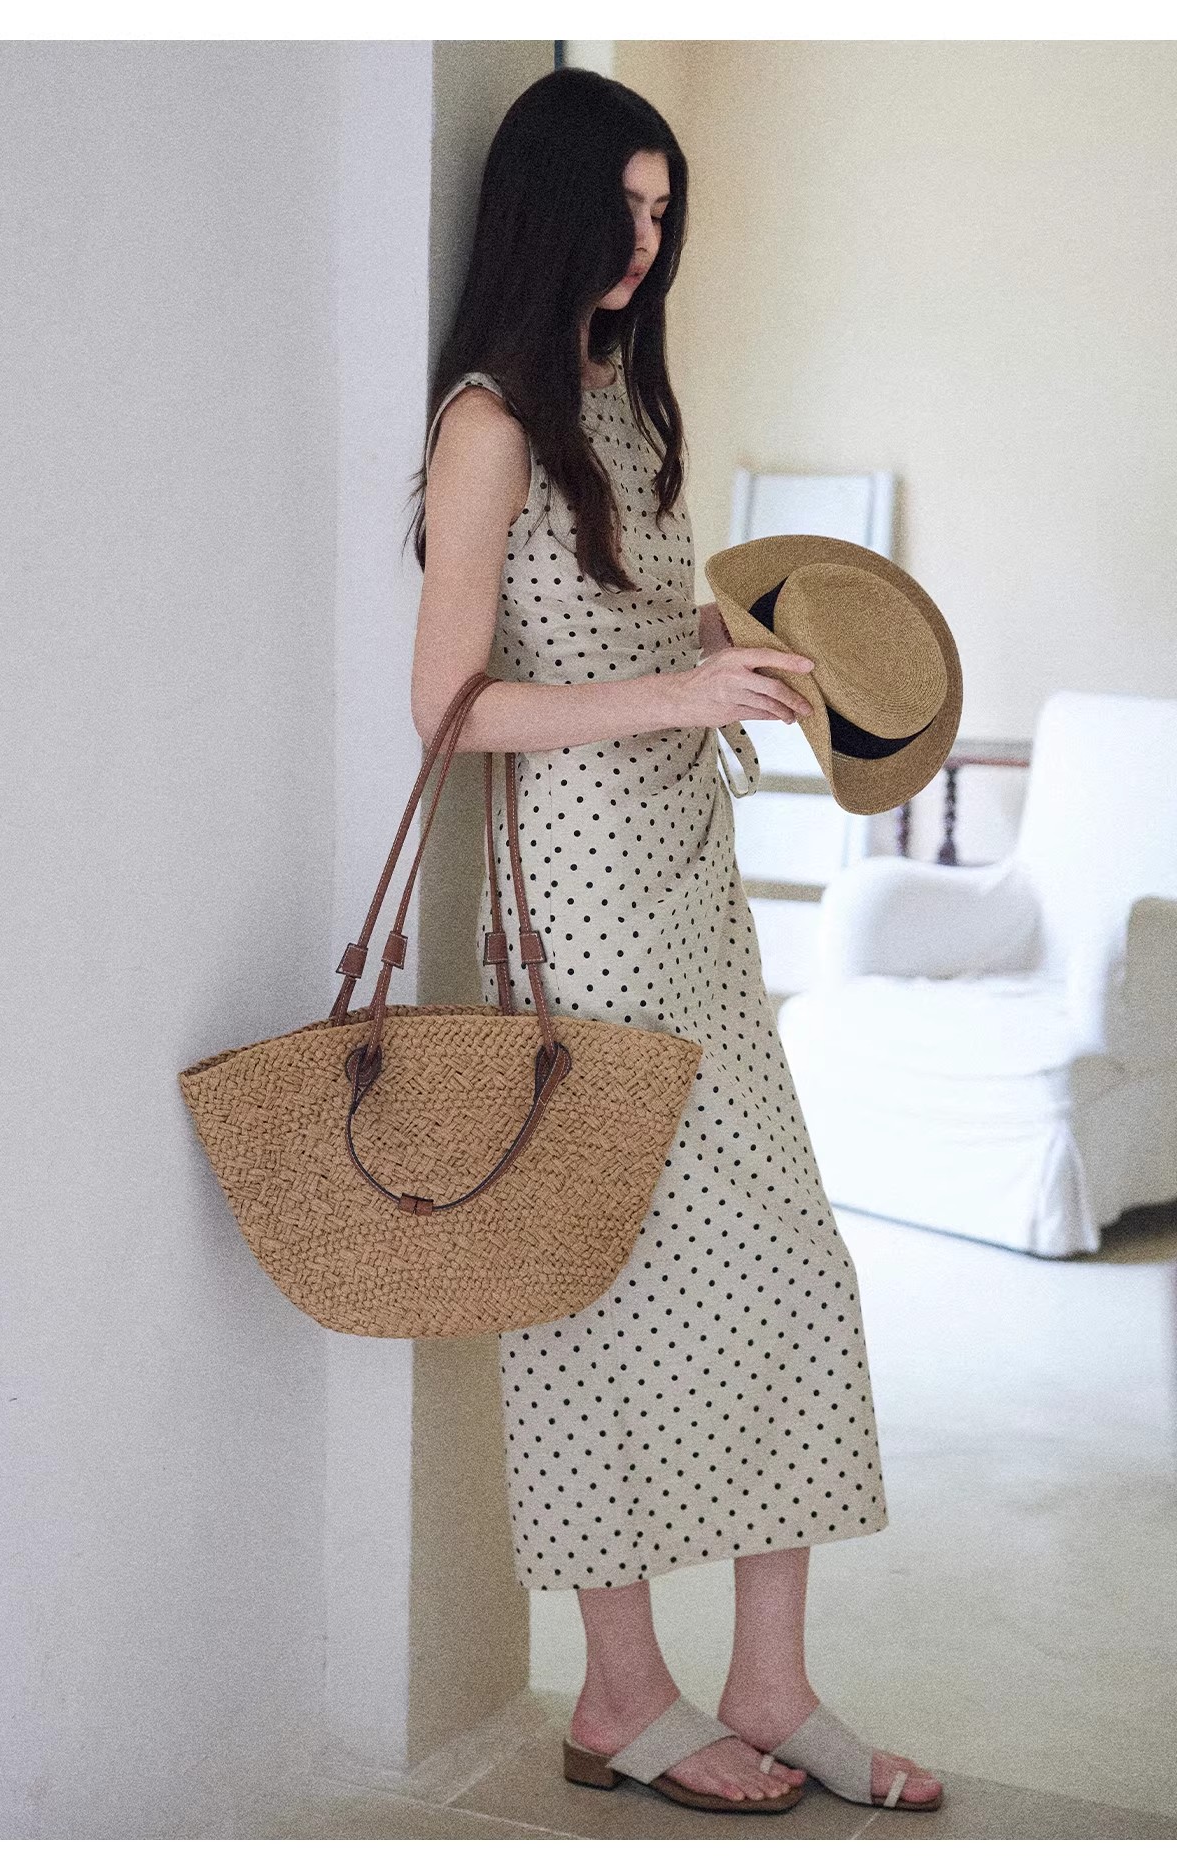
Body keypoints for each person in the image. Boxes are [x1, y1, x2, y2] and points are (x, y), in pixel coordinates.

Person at [408, 66, 942, 1813]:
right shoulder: (491, 421)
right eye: (621, 209)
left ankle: (771, 1683)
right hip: (578, 914)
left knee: (794, 1270)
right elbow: (450, 705)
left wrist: (731, 657)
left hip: (691, 889)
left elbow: (628, 623)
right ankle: (621, 1698)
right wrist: (675, 692)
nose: (647, 242)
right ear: (547, 210)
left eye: (663, 211)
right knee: (593, 1289)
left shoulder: (623, 399)